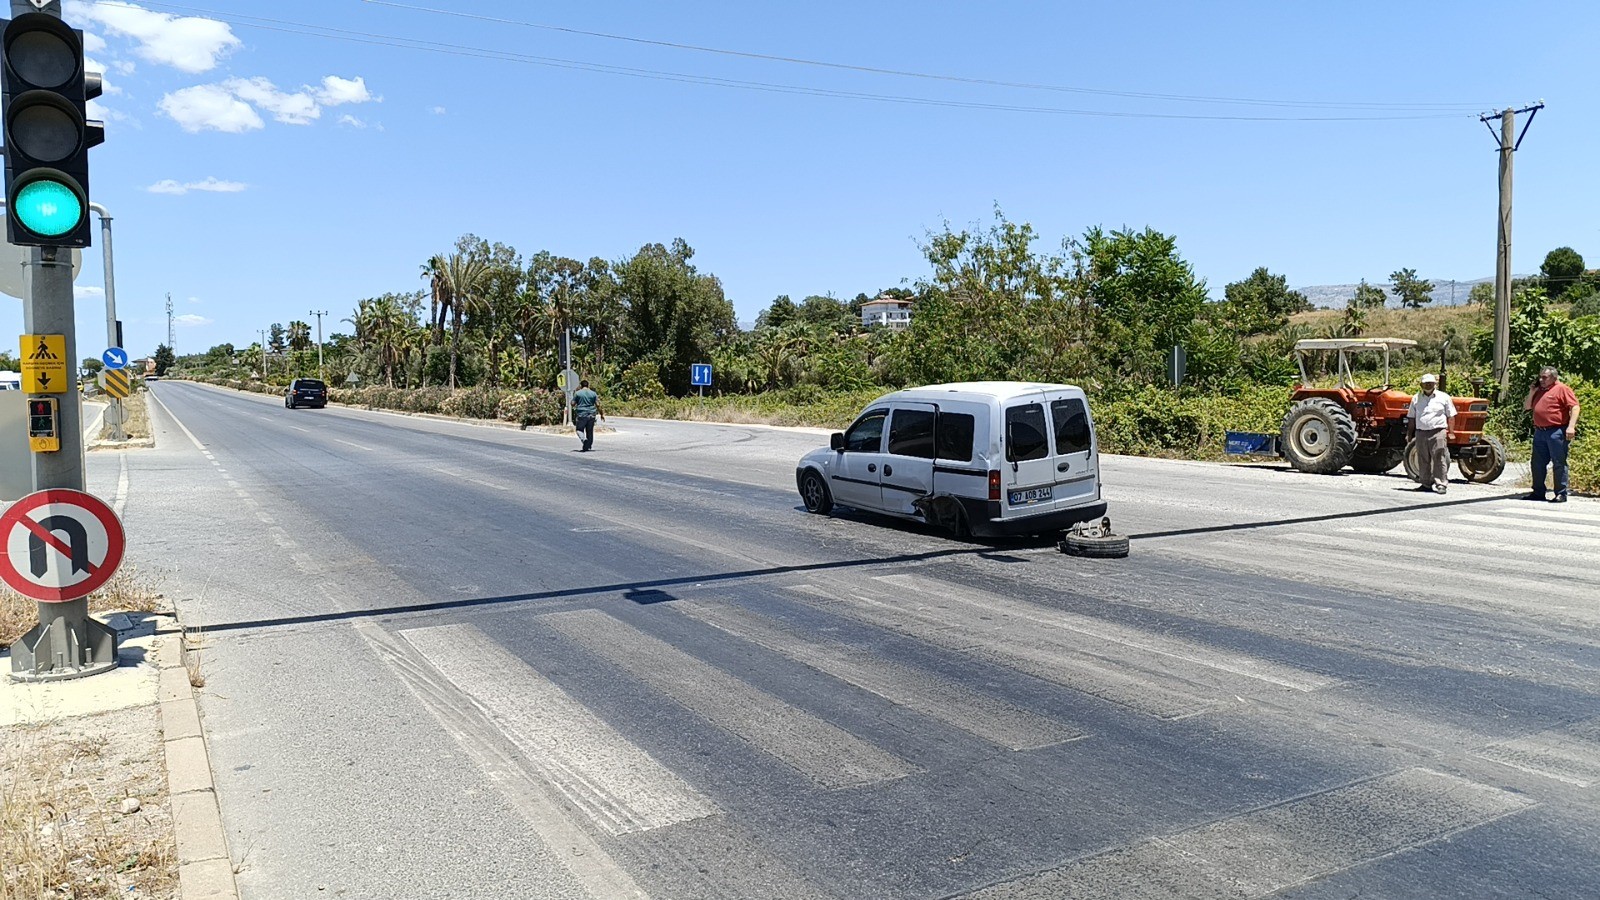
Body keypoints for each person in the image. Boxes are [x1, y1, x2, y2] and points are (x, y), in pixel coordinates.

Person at [1524, 366, 1580, 503]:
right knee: (1537, 463)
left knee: (1559, 462)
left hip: (1556, 431)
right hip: (1540, 432)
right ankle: (1538, 492)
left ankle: (1560, 493)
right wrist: (1532, 392)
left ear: (1554, 378)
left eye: (1544, 377)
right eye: (1540, 376)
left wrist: (1571, 426)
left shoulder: (1562, 389)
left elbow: (1575, 406)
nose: (1541, 380)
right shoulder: (1539, 390)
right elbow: (1527, 407)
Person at [1406, 373, 1456, 495]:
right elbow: (1411, 417)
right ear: (1421, 385)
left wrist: (1451, 432)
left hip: (1438, 431)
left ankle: (1441, 484)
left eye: (1431, 383)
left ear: (1435, 384)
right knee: (1423, 458)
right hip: (1421, 432)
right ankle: (1425, 483)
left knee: (1439, 457)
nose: (1428, 385)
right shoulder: (1416, 398)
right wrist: (1409, 433)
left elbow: (1451, 415)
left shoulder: (1444, 397)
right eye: (1426, 383)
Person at [572, 379, 604, 452]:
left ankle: (584, 440)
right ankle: (588, 445)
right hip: (592, 414)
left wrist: (574, 402)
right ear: (588, 385)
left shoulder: (578, 393)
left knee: (579, 430)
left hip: (581, 414)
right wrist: (601, 414)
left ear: (581, 386)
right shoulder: (593, 393)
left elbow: (573, 403)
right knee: (589, 431)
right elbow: (598, 405)